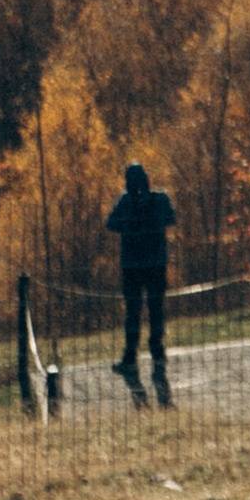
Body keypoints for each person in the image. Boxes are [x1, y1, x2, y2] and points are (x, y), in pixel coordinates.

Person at [105, 159, 176, 392]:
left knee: (133, 313)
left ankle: (130, 357)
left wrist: (131, 226)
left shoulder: (125, 202)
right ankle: (157, 351)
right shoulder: (160, 199)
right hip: (156, 263)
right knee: (157, 309)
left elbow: (110, 224)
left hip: (132, 266)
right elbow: (171, 219)